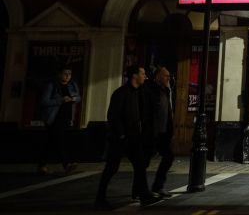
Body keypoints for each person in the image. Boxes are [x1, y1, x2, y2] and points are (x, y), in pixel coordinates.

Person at [95, 65, 160, 210]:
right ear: (134, 76)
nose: (145, 76)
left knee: (140, 165)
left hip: (134, 137)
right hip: (120, 138)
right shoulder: (121, 93)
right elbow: (113, 115)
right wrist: (121, 133)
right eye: (142, 74)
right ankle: (100, 198)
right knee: (111, 168)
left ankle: (143, 195)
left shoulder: (140, 92)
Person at [37, 66, 81, 175]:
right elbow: (44, 101)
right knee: (59, 140)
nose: (67, 76)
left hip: (66, 117)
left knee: (52, 141)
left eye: (69, 74)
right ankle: (66, 165)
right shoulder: (52, 85)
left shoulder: (72, 85)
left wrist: (73, 98)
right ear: (60, 74)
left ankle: (42, 165)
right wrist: (61, 100)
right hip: (54, 118)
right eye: (65, 73)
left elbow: (78, 97)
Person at [143, 67, 175, 196]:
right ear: (157, 77)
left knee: (169, 156)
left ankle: (158, 186)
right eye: (165, 76)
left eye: (169, 76)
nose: (168, 78)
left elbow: (167, 110)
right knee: (143, 163)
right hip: (151, 132)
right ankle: (138, 191)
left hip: (163, 132)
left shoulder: (166, 90)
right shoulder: (150, 89)